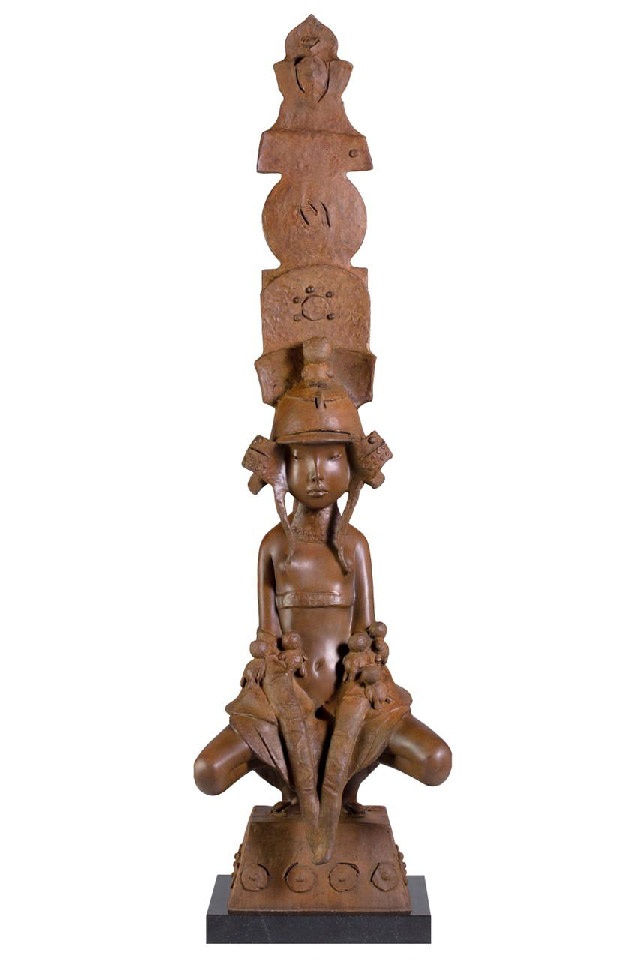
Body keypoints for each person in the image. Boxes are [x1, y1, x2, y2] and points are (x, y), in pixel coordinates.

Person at [194, 343, 451, 863]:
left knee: (436, 760)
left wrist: (369, 670)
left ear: (351, 465)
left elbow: (368, 632)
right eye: (302, 457)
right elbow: (266, 635)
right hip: (283, 698)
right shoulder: (274, 546)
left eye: (331, 456)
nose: (316, 473)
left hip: (352, 697)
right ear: (280, 466)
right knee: (209, 772)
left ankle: (340, 785)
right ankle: (295, 789)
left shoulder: (355, 546)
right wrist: (270, 670)